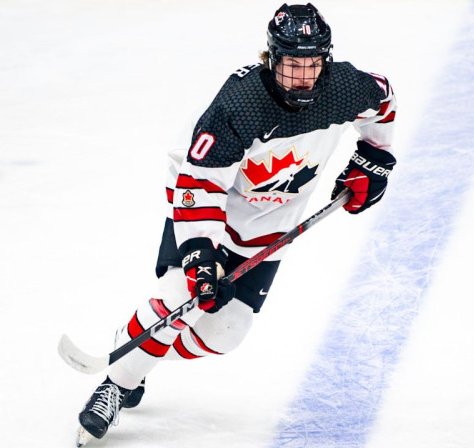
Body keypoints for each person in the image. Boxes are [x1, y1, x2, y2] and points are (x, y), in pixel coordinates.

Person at [74, 3, 397, 445]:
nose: (303, 77)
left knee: (226, 333)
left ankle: (139, 348)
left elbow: (384, 101)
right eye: (291, 65)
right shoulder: (241, 106)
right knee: (177, 301)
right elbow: (198, 186)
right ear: (271, 58)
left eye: (313, 65)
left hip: (269, 230)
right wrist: (201, 259)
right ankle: (117, 384)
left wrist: (375, 157)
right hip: (207, 210)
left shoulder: (343, 87)